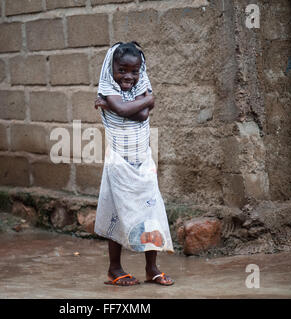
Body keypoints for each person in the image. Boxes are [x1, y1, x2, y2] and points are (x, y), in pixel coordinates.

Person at [94, 41, 175, 286]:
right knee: (117, 212)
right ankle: (115, 269)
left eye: (134, 71)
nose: (128, 76)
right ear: (112, 68)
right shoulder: (107, 83)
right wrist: (138, 102)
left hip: (143, 158)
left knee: (151, 211)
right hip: (119, 160)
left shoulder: (141, 82)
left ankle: (152, 268)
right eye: (122, 70)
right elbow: (132, 108)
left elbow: (138, 115)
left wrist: (115, 106)